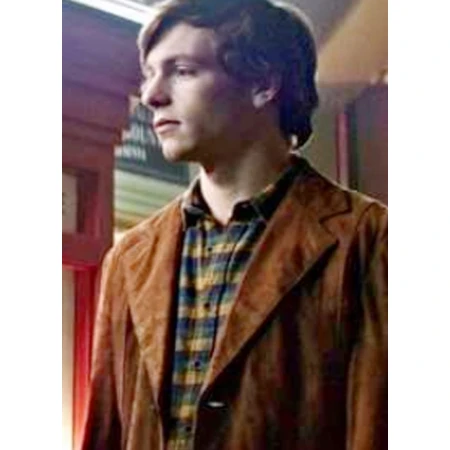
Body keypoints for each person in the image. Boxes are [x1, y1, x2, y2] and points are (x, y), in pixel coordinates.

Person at [81, 0, 387, 449]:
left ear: (263, 83)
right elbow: (106, 432)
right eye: (149, 74)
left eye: (182, 70)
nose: (151, 95)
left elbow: (379, 424)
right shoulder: (129, 258)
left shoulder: (369, 239)